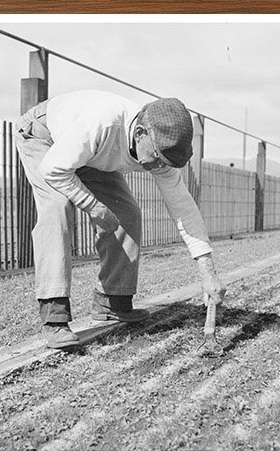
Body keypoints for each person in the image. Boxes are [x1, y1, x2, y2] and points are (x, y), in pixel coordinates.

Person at [14, 89, 225, 350]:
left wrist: (208, 273)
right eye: (158, 157)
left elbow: (183, 207)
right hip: (43, 135)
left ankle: (111, 301)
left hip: (87, 152)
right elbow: (53, 170)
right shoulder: (101, 124)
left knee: (126, 213)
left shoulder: (159, 149)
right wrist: (92, 205)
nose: (160, 167)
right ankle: (54, 317)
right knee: (57, 209)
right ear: (140, 134)